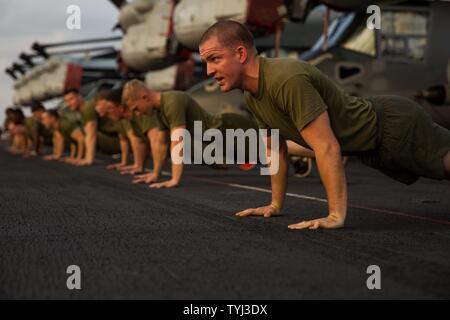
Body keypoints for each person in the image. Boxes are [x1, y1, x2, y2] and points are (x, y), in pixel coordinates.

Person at [199, 20, 450, 230]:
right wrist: (275, 205)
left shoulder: (286, 79)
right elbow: (275, 150)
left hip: (393, 126)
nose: (209, 70)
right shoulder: (252, 95)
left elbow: (327, 146)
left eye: (214, 59)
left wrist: (335, 216)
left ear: (240, 54)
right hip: (370, 146)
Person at [122, 79, 260, 188]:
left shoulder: (172, 101)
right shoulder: (158, 111)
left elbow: (178, 141)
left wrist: (174, 179)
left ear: (144, 97)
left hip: (231, 131)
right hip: (218, 141)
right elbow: (161, 144)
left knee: (275, 153)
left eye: (136, 109)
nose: (137, 114)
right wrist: (155, 174)